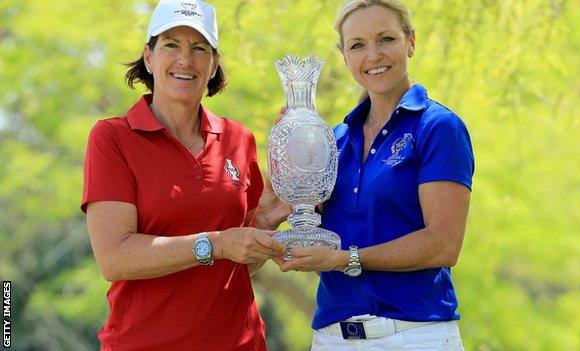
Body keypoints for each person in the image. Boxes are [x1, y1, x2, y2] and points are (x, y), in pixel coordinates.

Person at [81, 1, 285, 350]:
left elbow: (238, 264)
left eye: (199, 48)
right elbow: (115, 257)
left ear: (213, 63)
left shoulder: (239, 139)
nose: (185, 60)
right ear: (149, 56)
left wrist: (265, 219)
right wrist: (217, 243)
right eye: (171, 45)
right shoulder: (112, 138)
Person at [272, 0, 475, 349]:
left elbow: (443, 244)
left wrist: (347, 259)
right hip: (332, 338)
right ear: (344, 55)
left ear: (410, 41)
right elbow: (307, 224)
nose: (373, 56)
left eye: (386, 39)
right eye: (357, 45)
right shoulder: (333, 140)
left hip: (413, 336)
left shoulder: (438, 127)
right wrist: (288, 158)